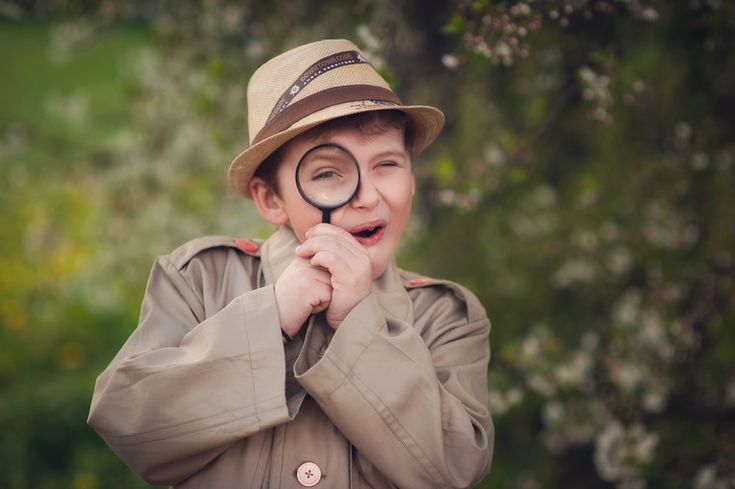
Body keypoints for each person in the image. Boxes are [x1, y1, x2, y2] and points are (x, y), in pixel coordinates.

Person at [88, 39, 494, 489]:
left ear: (412, 180)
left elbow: (452, 470)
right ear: (271, 198)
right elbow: (131, 424)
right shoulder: (200, 278)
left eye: (386, 165)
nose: (367, 196)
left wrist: (361, 322)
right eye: (327, 173)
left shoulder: (446, 316)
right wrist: (272, 319)